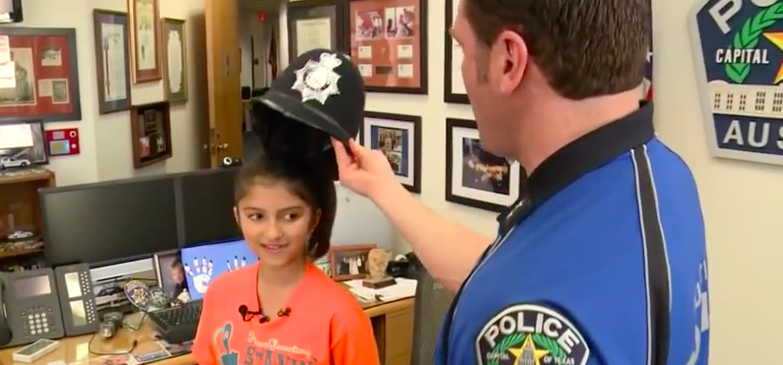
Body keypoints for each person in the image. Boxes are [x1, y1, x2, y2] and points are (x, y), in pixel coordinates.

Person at [330, 0, 709, 364]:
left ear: (508, 61)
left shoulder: (525, 325)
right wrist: (385, 190)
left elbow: (520, 293)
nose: (462, 65)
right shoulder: (663, 178)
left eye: (462, 46)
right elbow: (501, 269)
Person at [192, 154, 379, 365]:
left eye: (290, 216)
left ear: (314, 219)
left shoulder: (342, 315)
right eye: (257, 216)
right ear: (238, 217)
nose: (273, 233)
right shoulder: (220, 293)